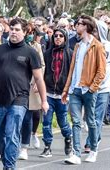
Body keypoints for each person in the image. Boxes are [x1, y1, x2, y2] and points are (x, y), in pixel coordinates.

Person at [0, 17, 49, 170]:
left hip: (19, 100)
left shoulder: (31, 52)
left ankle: (9, 167)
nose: (14, 32)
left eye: (17, 30)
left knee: (12, 134)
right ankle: (6, 158)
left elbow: (38, 78)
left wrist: (44, 101)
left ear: (24, 32)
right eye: (12, 29)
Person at [62, 15, 106, 165]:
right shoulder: (78, 46)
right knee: (76, 121)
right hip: (75, 89)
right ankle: (76, 154)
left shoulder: (98, 46)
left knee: (91, 121)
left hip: (88, 90)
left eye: (79, 24)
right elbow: (72, 70)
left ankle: (93, 149)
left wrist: (92, 88)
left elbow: (101, 72)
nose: (76, 26)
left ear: (86, 27)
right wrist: (67, 89)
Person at [84, 20, 110, 153]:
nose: (94, 33)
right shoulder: (85, 45)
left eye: (96, 30)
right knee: (90, 117)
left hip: (103, 89)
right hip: (88, 88)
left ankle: (90, 143)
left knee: (97, 117)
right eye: (92, 30)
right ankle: (96, 137)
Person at [39, 28, 73, 158]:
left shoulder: (70, 53)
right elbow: (42, 70)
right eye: (55, 36)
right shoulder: (47, 53)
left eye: (60, 36)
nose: (57, 38)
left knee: (62, 121)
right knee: (46, 121)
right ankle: (47, 147)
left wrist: (69, 90)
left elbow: (72, 73)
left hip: (63, 94)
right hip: (48, 93)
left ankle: (68, 139)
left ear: (65, 38)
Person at [19, 25, 45, 160]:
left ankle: (25, 146)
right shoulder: (12, 45)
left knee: (29, 115)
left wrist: (37, 81)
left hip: (31, 85)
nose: (29, 34)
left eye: (31, 32)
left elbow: (42, 65)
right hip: (16, 85)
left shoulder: (36, 47)